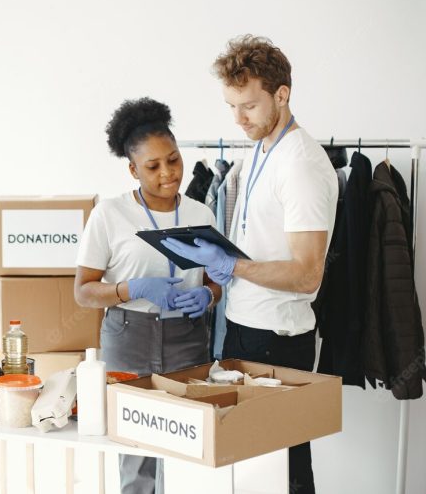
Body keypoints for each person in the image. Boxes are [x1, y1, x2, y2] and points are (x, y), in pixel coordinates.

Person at [162, 35, 337, 494]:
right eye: (231, 106)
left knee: (286, 471)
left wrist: (232, 267)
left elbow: (307, 273)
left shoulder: (301, 164)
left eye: (250, 106)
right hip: (243, 328)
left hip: (277, 340)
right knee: (249, 470)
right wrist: (218, 268)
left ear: (283, 95)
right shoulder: (260, 149)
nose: (239, 119)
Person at [74, 97, 222, 494]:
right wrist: (130, 289)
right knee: (136, 456)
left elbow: (216, 280)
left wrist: (208, 297)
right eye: (153, 166)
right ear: (132, 169)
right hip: (129, 339)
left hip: (188, 340)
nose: (168, 173)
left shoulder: (201, 215)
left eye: (173, 160)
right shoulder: (110, 214)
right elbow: (84, 292)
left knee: (189, 449)